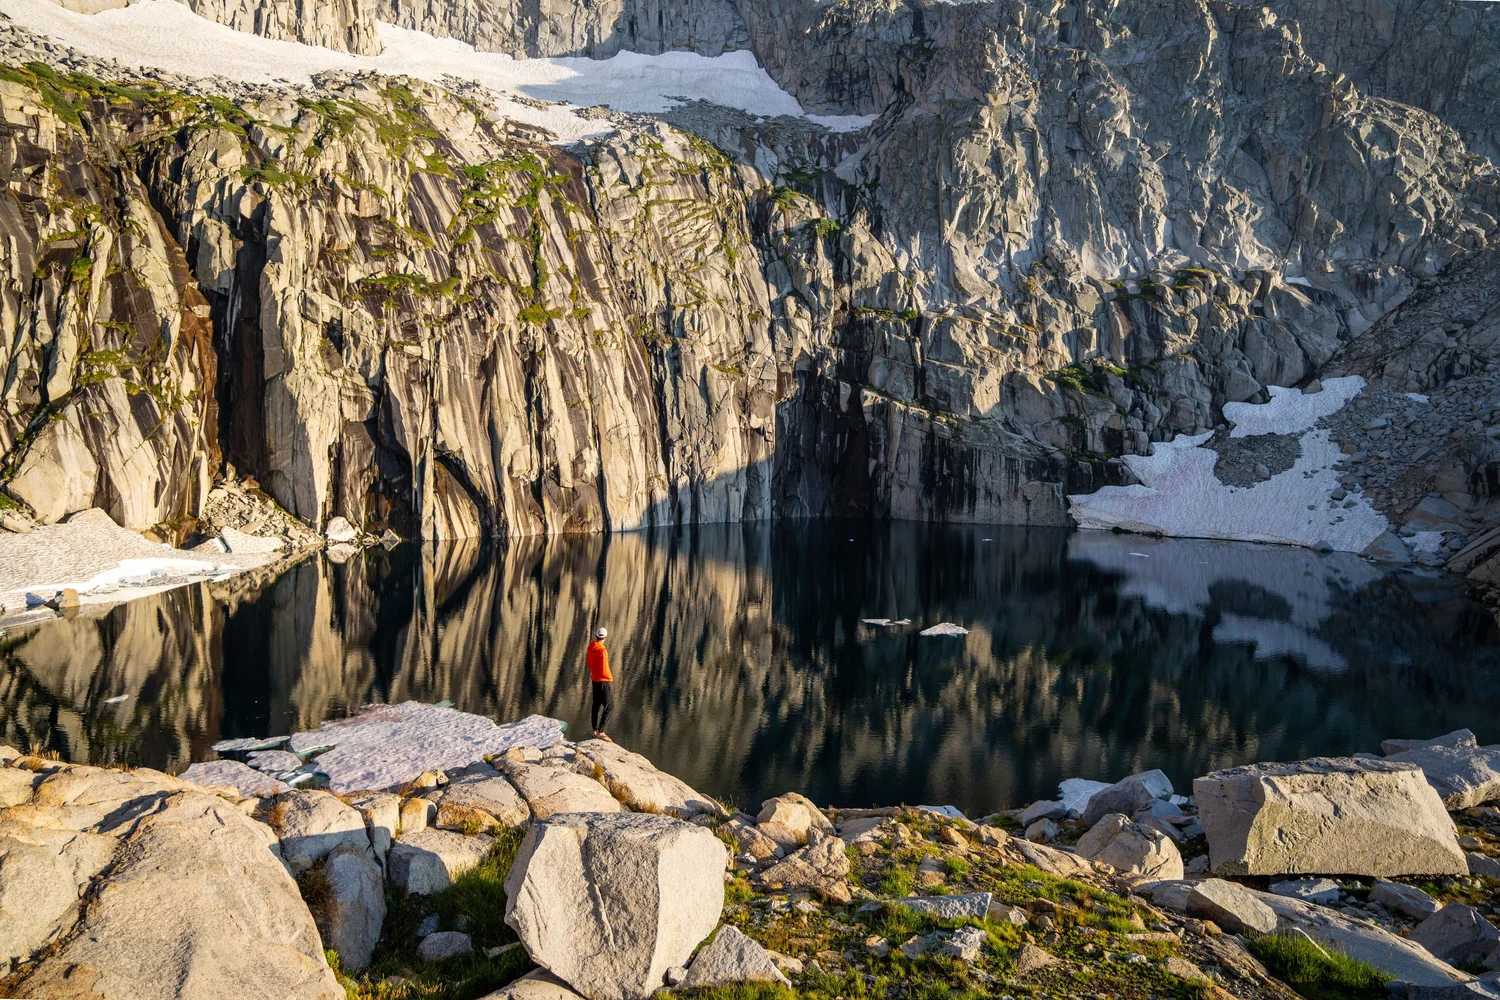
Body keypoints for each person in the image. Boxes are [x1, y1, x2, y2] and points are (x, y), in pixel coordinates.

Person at [587, 626, 614, 741]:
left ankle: (594, 730)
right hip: (604, 681)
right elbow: (604, 668)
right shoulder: (602, 651)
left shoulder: (591, 647)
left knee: (596, 705)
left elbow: (589, 663)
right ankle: (601, 731)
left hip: (595, 680)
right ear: (605, 637)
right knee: (610, 706)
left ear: (596, 635)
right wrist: (609, 678)